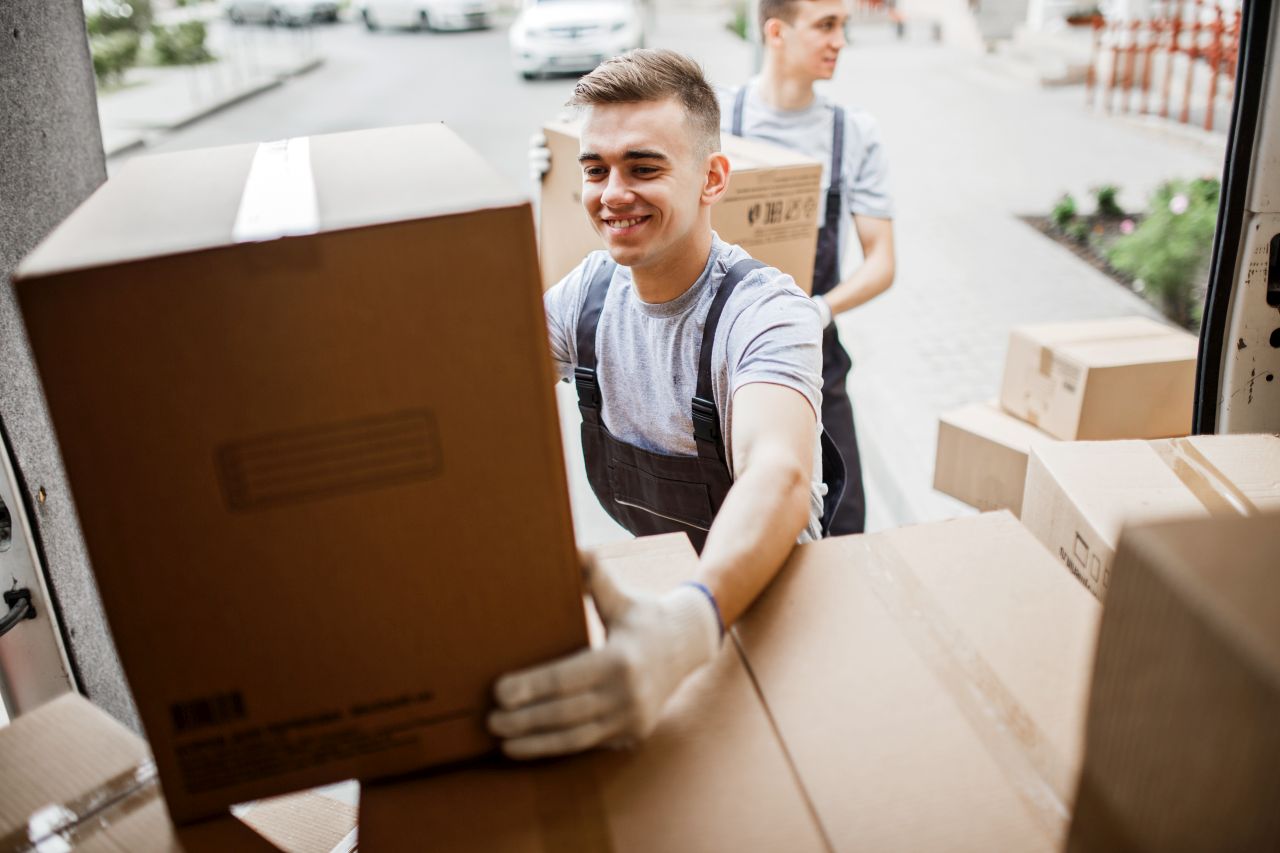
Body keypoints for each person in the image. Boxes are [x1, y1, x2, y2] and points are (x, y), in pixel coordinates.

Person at [488, 48, 843, 760]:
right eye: (595, 170)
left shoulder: (766, 311)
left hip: (767, 606)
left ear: (712, 178)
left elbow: (778, 473)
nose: (612, 192)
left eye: (643, 168)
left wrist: (686, 627)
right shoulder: (586, 297)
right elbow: (483, 394)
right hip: (659, 594)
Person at [725, 0, 896, 535]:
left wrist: (818, 310)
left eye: (842, 26)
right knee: (731, 526)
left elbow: (882, 262)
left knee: (845, 526)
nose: (840, 40)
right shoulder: (713, 118)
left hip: (817, 359)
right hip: (720, 364)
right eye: (825, 25)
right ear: (776, 31)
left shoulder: (853, 134)